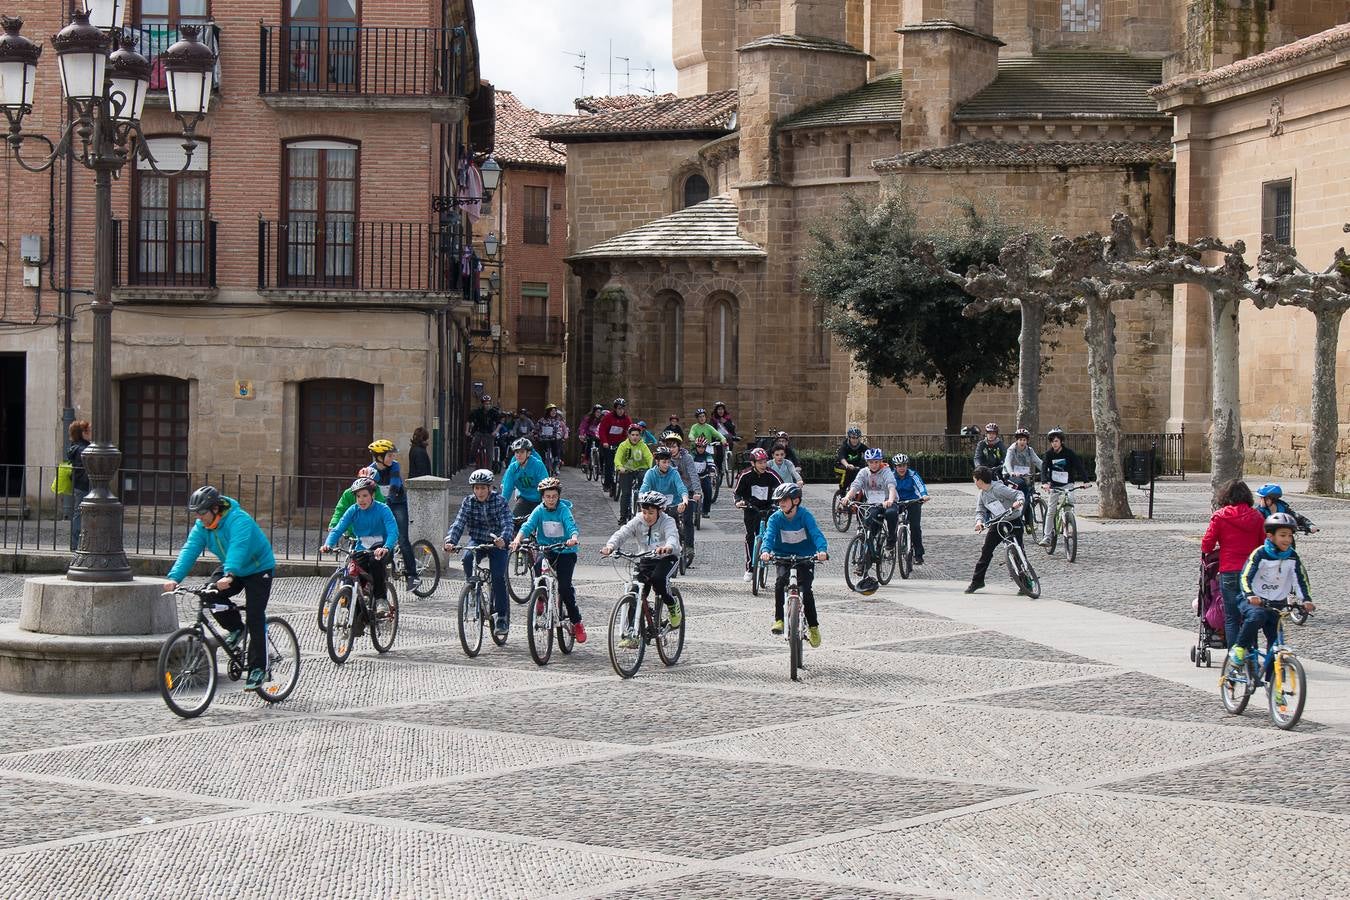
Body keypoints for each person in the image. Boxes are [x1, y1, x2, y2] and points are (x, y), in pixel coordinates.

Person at [164, 486, 276, 689]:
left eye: (202, 513)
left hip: (259, 568)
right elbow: (190, 549)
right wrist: (174, 578)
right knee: (209, 595)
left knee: (255, 614)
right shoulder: (202, 526)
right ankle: (236, 628)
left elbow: (238, 547)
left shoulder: (238, 519)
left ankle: (258, 668)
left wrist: (230, 573)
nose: (198, 518)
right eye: (196, 514)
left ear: (215, 508)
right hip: (231, 568)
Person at [1232, 512, 1315, 693]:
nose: (1287, 539)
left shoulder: (1292, 557)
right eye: (1283, 535)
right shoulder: (1260, 554)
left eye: (1290, 535)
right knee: (1256, 617)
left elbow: (1300, 579)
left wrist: (1306, 600)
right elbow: (1245, 576)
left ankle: (1273, 685)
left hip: (1276, 603)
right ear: (1270, 536)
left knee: (1276, 642)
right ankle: (1239, 649)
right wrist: (1250, 594)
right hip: (1253, 601)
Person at [510, 476, 586, 643]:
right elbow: (527, 526)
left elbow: (571, 526)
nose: (551, 500)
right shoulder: (539, 510)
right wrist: (517, 539)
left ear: (558, 496)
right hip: (546, 549)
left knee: (565, 588)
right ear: (542, 497)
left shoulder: (564, 510)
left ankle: (577, 622)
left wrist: (573, 537)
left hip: (566, 552)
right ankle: (541, 597)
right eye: (547, 496)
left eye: (554, 496)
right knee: (538, 566)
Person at [322, 476, 399, 636]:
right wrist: (328, 544)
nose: (361, 500)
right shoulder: (353, 510)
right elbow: (338, 528)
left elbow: (393, 531)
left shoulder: (383, 509)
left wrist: (386, 547)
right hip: (361, 548)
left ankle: (381, 600)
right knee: (352, 576)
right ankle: (358, 618)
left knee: (376, 562)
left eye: (365, 496)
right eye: (358, 496)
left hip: (381, 548)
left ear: (372, 495)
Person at [601, 490, 683, 639]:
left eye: (651, 513)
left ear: (660, 510)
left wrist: (668, 547)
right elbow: (623, 533)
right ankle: (631, 633)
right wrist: (610, 546)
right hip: (645, 558)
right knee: (636, 592)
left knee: (658, 580)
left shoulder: (667, 521)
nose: (647, 516)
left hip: (667, 558)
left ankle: (672, 605)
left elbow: (672, 537)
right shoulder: (638, 520)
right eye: (644, 512)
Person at [444, 468, 514, 641]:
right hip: (478, 541)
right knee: (467, 558)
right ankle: (473, 591)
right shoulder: (468, 502)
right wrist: (451, 541)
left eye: (483, 488)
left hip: (497, 543)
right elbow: (459, 522)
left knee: (498, 577)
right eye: (476, 488)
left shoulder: (499, 501)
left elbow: (507, 522)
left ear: (490, 488)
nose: (480, 491)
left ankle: (502, 618)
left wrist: (504, 539)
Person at [1201, 478, 1267, 646]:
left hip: (1228, 570)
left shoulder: (1220, 517)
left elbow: (1207, 544)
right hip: (1251, 571)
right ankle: (1250, 657)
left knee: (1232, 617)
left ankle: (1234, 658)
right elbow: (1263, 543)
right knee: (1250, 616)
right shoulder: (1257, 517)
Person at [761, 482, 828, 647]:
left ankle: (813, 627)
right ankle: (779, 620)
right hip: (782, 556)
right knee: (779, 584)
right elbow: (769, 535)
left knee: (806, 590)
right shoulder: (775, 518)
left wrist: (822, 551)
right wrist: (765, 551)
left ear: (796, 501)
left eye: (785, 499)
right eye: (779, 500)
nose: (781, 503)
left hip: (805, 557)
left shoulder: (805, 516)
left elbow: (816, 533)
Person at [367, 439, 419, 593]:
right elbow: (367, 489)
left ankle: (413, 575)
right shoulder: (371, 470)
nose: (392, 458)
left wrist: (387, 499)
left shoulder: (394, 466)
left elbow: (395, 484)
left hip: (397, 504)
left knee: (402, 539)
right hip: (382, 506)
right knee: (379, 539)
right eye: (389, 455)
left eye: (392, 455)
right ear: (379, 457)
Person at [965, 466, 1026, 595]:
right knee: (986, 551)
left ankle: (1025, 583)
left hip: (1013, 520)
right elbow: (980, 511)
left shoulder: (998, 488)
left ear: (980, 480)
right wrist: (979, 522)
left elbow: (1018, 494)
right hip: (997, 522)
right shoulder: (982, 494)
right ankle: (977, 581)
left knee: (1018, 550)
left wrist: (1019, 502)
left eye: (975, 479)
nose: (974, 482)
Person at [733, 447, 783, 581]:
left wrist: (778, 504)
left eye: (764, 462)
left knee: (768, 535)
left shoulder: (771, 475)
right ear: (753, 463)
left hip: (768, 508)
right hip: (751, 508)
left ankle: (766, 556)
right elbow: (737, 492)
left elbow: (782, 490)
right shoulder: (745, 475)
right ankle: (750, 568)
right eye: (759, 462)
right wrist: (738, 502)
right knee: (751, 536)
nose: (763, 465)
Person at [1039, 427, 1091, 546]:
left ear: (1061, 441)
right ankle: (1047, 536)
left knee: (1070, 502)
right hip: (1054, 485)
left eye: (1056, 441)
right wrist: (1044, 482)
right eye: (1052, 441)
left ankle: (1067, 522)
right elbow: (1043, 469)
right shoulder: (1048, 454)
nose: (1054, 443)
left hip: (1068, 483)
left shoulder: (1069, 453)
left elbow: (1079, 466)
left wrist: (1086, 481)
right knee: (1051, 510)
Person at [848, 447, 900, 551]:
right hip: (873, 504)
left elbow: (891, 486)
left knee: (891, 513)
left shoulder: (886, 471)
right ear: (867, 462)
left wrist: (890, 500)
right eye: (871, 462)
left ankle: (891, 538)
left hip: (887, 502)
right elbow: (856, 486)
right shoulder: (864, 472)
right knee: (868, 526)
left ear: (881, 461)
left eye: (876, 462)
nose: (874, 465)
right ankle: (866, 557)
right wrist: (847, 497)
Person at [660, 432, 700, 559]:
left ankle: (689, 547)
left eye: (673, 446)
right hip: (672, 493)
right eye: (669, 446)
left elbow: (693, 474)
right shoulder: (665, 460)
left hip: (687, 491)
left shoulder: (687, 458)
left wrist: (697, 492)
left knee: (688, 520)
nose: (671, 449)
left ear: (679, 447)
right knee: (671, 519)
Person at [891, 453, 930, 565]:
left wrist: (924, 495)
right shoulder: (892, 476)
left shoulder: (913, 475)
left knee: (915, 527)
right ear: (895, 467)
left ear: (907, 466)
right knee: (891, 521)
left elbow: (920, 486)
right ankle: (891, 546)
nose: (902, 468)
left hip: (913, 501)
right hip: (898, 502)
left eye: (904, 465)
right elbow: (887, 488)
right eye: (899, 466)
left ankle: (918, 554)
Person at [499, 437, 550, 520]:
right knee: (515, 522)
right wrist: (500, 508)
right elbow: (507, 490)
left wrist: (546, 503)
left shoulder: (538, 465)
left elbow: (546, 486)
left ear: (528, 453)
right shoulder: (513, 468)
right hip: (524, 499)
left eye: (522, 452)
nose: (519, 455)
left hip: (540, 500)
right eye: (517, 452)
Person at [614, 423, 654, 523]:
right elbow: (617, 459)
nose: (635, 437)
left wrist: (652, 468)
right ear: (629, 435)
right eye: (633, 435)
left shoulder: (643, 445)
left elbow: (649, 457)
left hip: (641, 470)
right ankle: (623, 516)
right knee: (626, 493)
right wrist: (620, 467)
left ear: (640, 436)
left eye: (637, 435)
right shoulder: (623, 445)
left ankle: (643, 511)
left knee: (643, 491)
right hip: (626, 470)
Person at [1002, 427, 1041, 525]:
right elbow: (1007, 462)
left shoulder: (1029, 450)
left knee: (1028, 494)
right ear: (1017, 440)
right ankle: (1018, 517)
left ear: (1027, 441)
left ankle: (1028, 523)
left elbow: (1038, 461)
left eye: (1024, 440)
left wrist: (1047, 470)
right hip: (1011, 476)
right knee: (1023, 490)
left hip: (1024, 476)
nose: (1022, 442)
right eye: (1020, 440)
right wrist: (1011, 472)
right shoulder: (1012, 449)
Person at [596, 398, 633, 493]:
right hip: (608, 443)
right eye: (619, 408)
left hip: (620, 444)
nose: (620, 411)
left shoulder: (626, 419)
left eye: (622, 408)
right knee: (609, 464)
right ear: (615, 409)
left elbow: (630, 431)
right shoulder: (608, 417)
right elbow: (602, 430)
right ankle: (607, 484)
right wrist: (604, 442)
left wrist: (630, 442)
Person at [66, 419, 91, 551]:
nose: (91, 433)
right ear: (83, 433)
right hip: (84, 485)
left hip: (80, 484)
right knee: (79, 514)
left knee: (79, 513)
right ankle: (76, 544)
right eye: (88, 430)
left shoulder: (78, 447)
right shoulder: (83, 449)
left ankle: (77, 543)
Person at [836, 425, 868, 506]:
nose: (855, 440)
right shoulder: (844, 446)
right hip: (840, 466)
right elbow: (841, 457)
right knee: (848, 471)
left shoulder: (861, 446)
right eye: (853, 437)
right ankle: (842, 491)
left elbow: (869, 452)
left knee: (862, 474)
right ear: (849, 437)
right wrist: (847, 464)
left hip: (855, 467)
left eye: (857, 438)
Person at [466, 394, 501, 467]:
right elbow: (469, 421)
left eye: (488, 404)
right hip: (478, 432)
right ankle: (472, 460)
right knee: (473, 446)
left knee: (489, 452)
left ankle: (489, 468)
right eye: (485, 404)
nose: (487, 405)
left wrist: (496, 431)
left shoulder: (493, 412)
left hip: (489, 433)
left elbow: (499, 423)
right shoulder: (477, 412)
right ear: (482, 404)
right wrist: (467, 431)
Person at [536, 404, 566, 474]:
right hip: (544, 439)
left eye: (555, 411)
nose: (554, 412)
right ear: (548, 411)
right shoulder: (542, 420)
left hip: (553, 439)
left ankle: (556, 465)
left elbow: (559, 429)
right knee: (541, 451)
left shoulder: (557, 421)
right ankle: (542, 465)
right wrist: (536, 435)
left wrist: (559, 435)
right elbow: (537, 429)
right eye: (552, 411)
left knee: (556, 449)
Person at [692, 436, 717, 516]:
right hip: (693, 477)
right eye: (699, 446)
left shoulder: (708, 455)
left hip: (704, 476)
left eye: (703, 447)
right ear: (696, 447)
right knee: (689, 492)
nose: (700, 449)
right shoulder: (692, 454)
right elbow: (688, 463)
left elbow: (711, 464)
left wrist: (712, 470)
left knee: (708, 491)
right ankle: (690, 509)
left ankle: (705, 511)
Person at [711, 401, 739, 474]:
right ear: (716, 411)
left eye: (722, 409)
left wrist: (725, 422)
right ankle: (719, 469)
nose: (721, 411)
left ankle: (728, 458)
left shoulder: (727, 418)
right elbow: (712, 430)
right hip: (718, 438)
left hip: (728, 437)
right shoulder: (713, 419)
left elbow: (732, 428)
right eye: (719, 409)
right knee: (719, 454)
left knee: (729, 445)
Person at [577, 404, 605, 471]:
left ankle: (600, 464)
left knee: (601, 447)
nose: (598, 414)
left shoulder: (602, 419)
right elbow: (583, 427)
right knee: (589, 444)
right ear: (594, 412)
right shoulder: (588, 418)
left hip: (598, 436)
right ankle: (586, 460)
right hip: (589, 434)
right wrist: (581, 434)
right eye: (597, 412)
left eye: (600, 412)